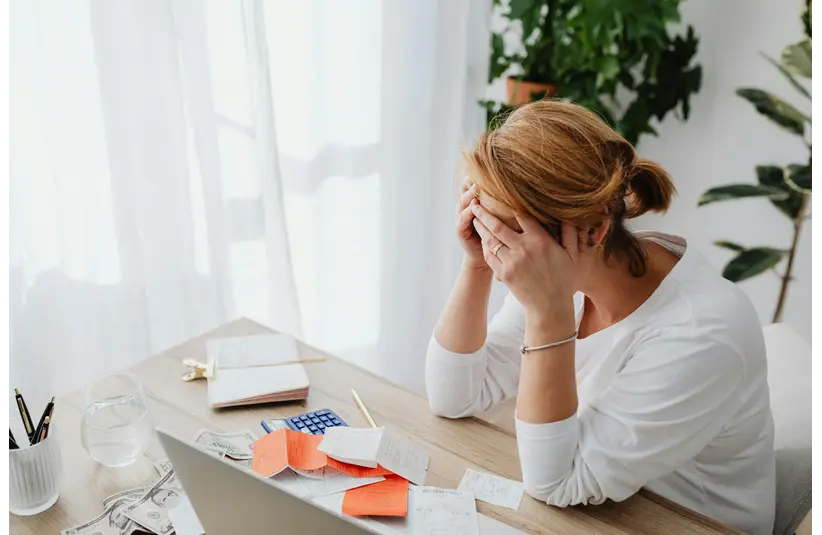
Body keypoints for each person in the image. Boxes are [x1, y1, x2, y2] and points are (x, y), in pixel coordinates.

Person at [426, 100, 775, 535]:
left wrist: (548, 312)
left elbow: (555, 482)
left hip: (682, 521)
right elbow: (454, 396)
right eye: (480, 223)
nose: (499, 252)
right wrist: (475, 265)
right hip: (597, 510)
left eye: (502, 232)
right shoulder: (565, 267)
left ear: (591, 230)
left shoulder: (702, 333)